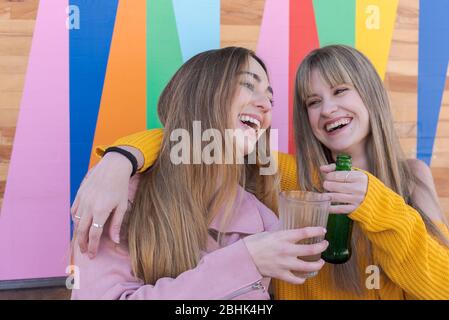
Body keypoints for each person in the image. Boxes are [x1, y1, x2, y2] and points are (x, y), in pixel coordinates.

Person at [72, 45, 449, 299]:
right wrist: (121, 158)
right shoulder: (283, 174)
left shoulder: (412, 177)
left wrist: (376, 204)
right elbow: (200, 135)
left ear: (371, 95)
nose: (328, 109)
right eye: (312, 102)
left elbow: (442, 284)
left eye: (340, 91)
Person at [70, 47, 328, 300]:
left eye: (270, 99)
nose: (266, 106)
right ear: (201, 95)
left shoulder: (260, 218)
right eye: (249, 85)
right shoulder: (115, 194)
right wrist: (243, 262)